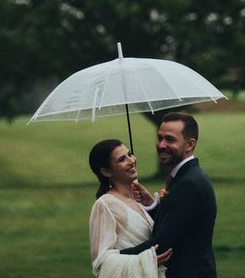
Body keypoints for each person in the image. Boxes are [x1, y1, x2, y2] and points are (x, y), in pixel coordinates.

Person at [121, 112, 217, 278]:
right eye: (160, 138)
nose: (161, 145)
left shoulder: (190, 184)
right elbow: (178, 221)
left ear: (190, 145)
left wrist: (114, 257)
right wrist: (152, 205)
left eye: (170, 140)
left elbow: (162, 244)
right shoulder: (187, 176)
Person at [88, 139, 172, 278]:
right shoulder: (105, 205)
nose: (131, 160)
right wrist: (145, 263)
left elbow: (157, 233)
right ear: (106, 171)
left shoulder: (139, 199)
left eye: (130, 154)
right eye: (122, 159)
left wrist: (151, 204)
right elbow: (101, 262)